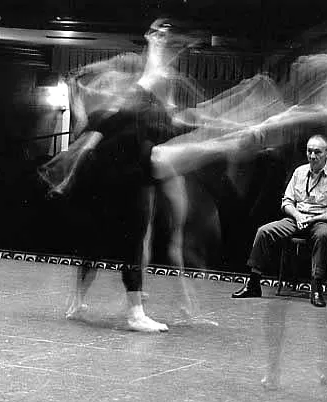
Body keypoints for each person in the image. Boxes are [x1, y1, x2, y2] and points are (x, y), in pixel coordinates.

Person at [39, 18, 207, 333]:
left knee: (111, 243)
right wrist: (156, 44)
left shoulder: (132, 116)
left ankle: (99, 305)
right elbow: (148, 84)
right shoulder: (118, 113)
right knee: (114, 243)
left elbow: (161, 109)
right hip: (121, 184)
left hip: (128, 180)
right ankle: (127, 312)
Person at [231, 134, 327, 307]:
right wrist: (298, 216)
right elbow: (287, 202)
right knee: (264, 231)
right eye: (309, 152)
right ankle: (253, 284)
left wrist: (314, 218)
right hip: (296, 219)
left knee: (324, 234)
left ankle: (316, 289)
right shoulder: (299, 172)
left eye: (317, 152)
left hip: (319, 221)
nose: (312, 156)